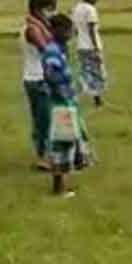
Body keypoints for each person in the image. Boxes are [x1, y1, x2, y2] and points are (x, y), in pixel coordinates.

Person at [42, 15, 94, 196]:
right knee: (61, 146)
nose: (70, 34)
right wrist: (64, 93)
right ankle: (58, 188)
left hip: (66, 102)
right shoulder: (52, 52)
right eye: (67, 30)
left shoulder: (60, 50)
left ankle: (62, 184)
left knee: (68, 143)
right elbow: (50, 75)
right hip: (60, 104)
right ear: (56, 30)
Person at [21, 0, 55, 171]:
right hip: (37, 79)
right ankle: (42, 157)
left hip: (36, 78)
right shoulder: (32, 29)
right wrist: (45, 25)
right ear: (37, 10)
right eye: (47, 9)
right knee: (44, 120)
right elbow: (47, 48)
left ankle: (42, 154)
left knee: (41, 119)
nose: (50, 13)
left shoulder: (35, 26)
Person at [72, 0, 106, 106]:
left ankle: (96, 98)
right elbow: (91, 29)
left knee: (86, 72)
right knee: (97, 73)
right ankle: (95, 98)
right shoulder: (90, 9)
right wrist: (96, 47)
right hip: (90, 46)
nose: (97, 0)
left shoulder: (76, 8)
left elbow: (75, 29)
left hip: (81, 45)